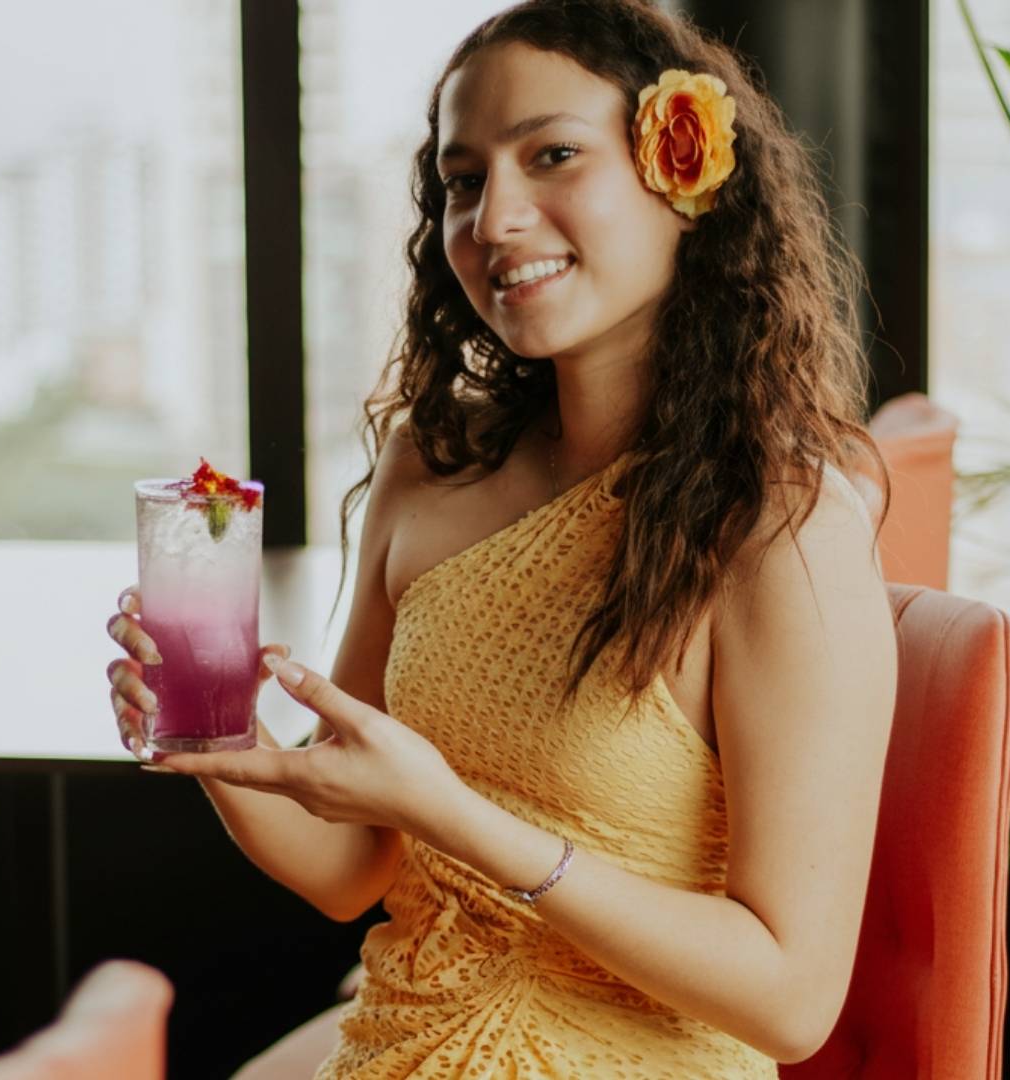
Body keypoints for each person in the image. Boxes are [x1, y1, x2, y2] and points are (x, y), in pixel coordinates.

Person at [104, 1, 898, 1075]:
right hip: (396, 1041)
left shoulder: (779, 533)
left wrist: (458, 818)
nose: (494, 220)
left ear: (684, 171)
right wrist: (223, 749)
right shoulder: (429, 467)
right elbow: (352, 868)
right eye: (464, 181)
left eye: (553, 156)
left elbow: (792, 998)